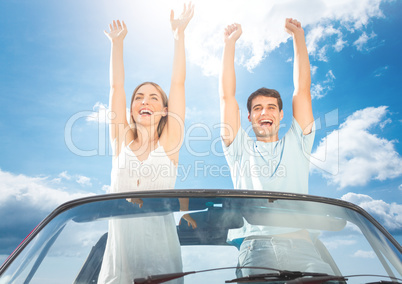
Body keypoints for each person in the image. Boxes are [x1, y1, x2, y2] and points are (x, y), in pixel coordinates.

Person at [219, 19, 334, 275]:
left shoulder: (298, 143)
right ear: (249, 117)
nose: (264, 112)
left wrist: (298, 37)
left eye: (271, 107)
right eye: (257, 108)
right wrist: (229, 45)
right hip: (255, 247)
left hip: (301, 245)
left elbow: (302, 91)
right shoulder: (239, 149)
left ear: (281, 115)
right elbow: (227, 97)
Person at [98, 4, 196, 284]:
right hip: (120, 263)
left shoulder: (170, 143)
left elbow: (178, 83)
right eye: (139, 96)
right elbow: (117, 88)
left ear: (165, 110)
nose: (145, 101)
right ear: (131, 110)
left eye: (154, 97)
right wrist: (117, 44)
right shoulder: (121, 142)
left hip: (160, 261)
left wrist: (179, 35)